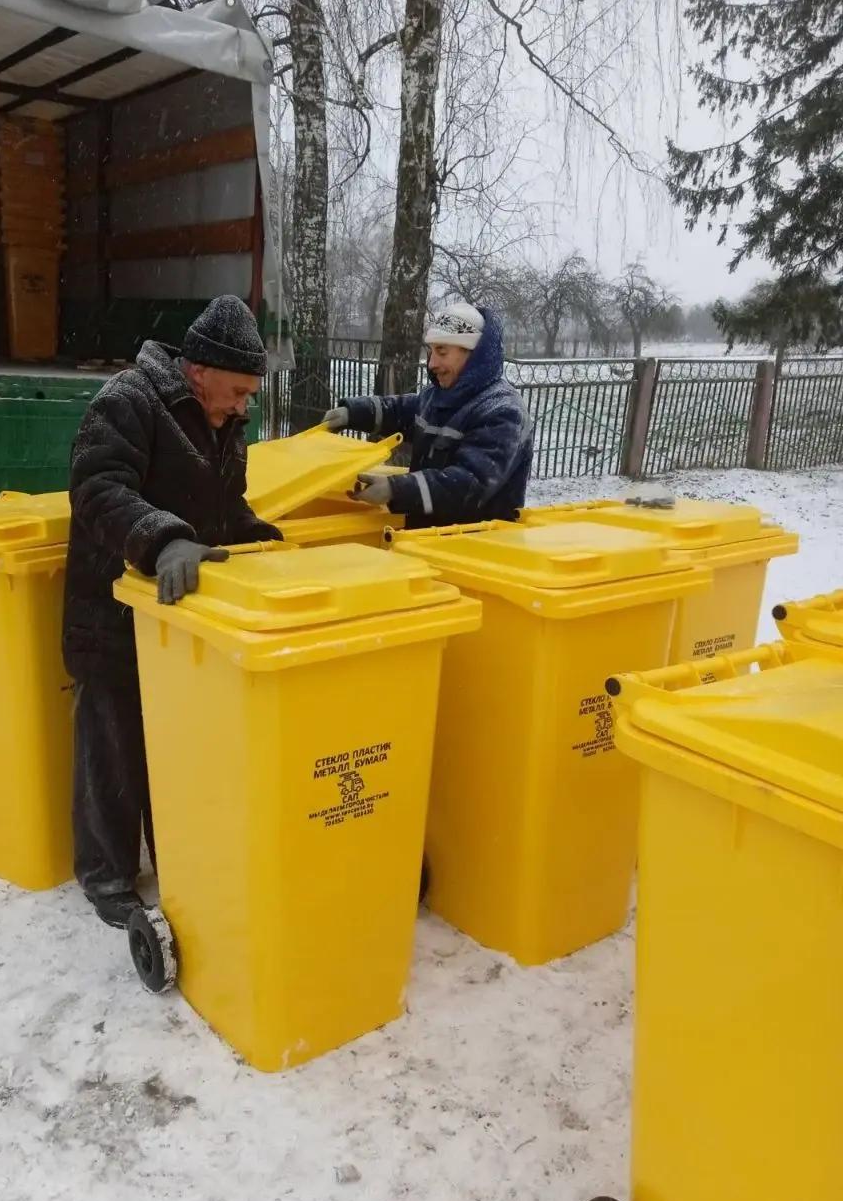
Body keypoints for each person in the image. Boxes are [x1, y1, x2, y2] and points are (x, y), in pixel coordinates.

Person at [62, 296, 282, 928]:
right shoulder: (129, 401)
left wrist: (255, 535)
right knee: (112, 750)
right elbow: (98, 489)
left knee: (170, 749)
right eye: (238, 391)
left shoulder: (224, 424)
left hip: (175, 623)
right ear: (198, 371)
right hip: (110, 613)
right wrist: (163, 538)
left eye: (249, 394)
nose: (244, 406)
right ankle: (106, 878)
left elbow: (224, 506)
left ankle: (173, 858)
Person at [323, 303, 534, 527]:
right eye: (431, 352)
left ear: (472, 353)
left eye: (442, 352)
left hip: (478, 548)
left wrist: (396, 490)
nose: (432, 363)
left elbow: (468, 484)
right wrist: (353, 412)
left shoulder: (502, 412)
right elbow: (401, 411)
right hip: (427, 539)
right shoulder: (441, 396)